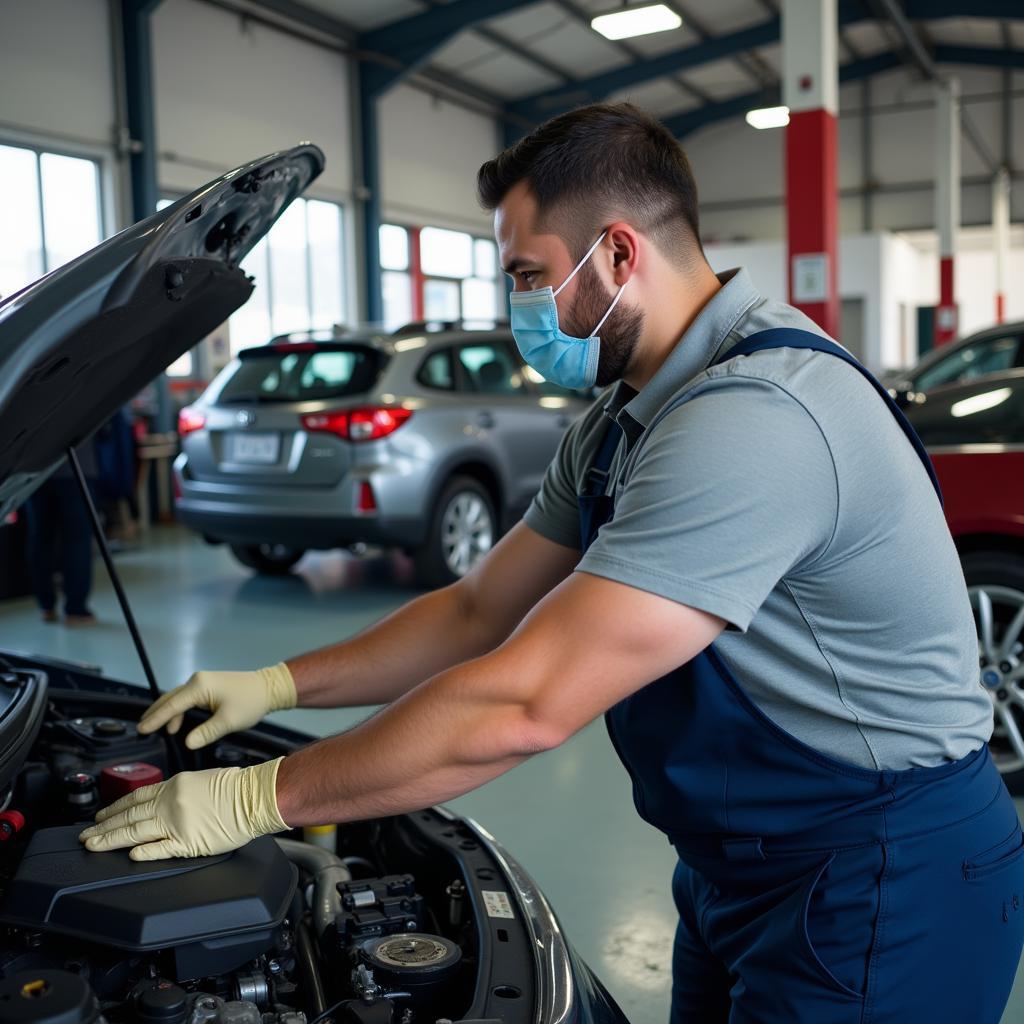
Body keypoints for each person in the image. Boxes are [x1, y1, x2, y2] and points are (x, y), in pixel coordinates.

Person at [78, 104, 1023, 1023]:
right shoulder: (626, 418)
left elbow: (525, 702)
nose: (517, 307)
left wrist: (258, 797)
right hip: (744, 868)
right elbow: (477, 611)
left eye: (528, 274)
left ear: (619, 252)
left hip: (884, 874)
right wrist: (275, 683)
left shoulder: (755, 419)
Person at [23, 441, 99, 625]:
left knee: (40, 536)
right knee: (77, 539)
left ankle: (46, 605)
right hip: (75, 467)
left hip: (35, 469)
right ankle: (75, 609)